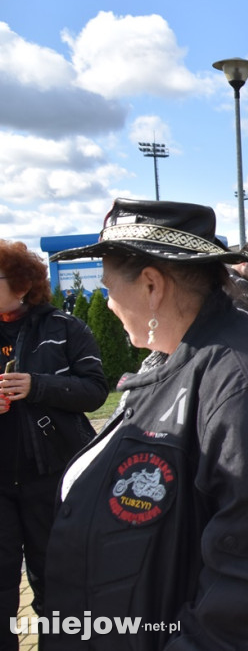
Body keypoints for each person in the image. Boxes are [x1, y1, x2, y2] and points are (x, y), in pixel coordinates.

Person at [46, 199, 248, 649]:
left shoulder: (245, 388)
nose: (106, 304)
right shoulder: (181, 359)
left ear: (150, 285)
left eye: (108, 288)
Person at [0, 241, 106, 651]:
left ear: (23, 284)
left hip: (51, 477)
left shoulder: (65, 328)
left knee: (56, 581)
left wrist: (38, 385)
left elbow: (96, 390)